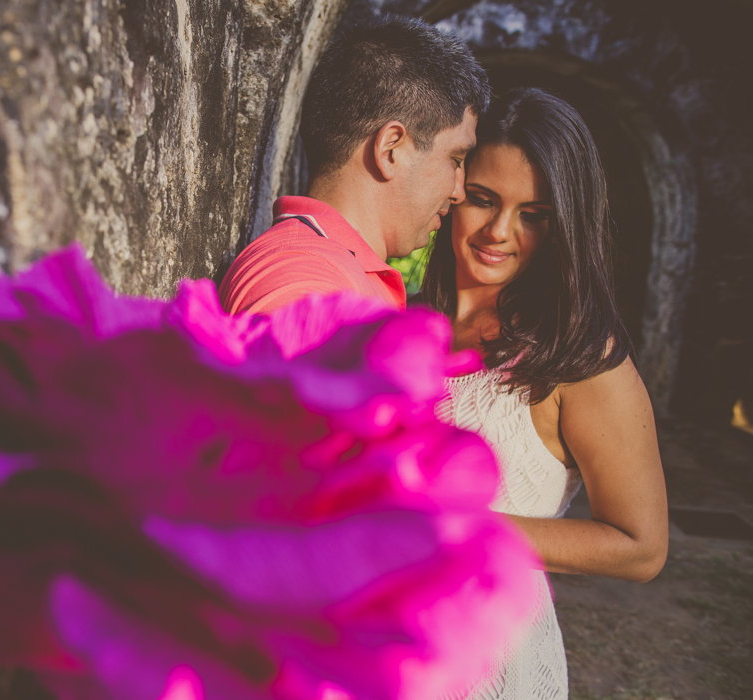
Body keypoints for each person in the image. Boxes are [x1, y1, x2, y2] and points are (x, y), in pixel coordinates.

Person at [421, 88, 670, 699]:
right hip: (380, 654)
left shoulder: (578, 358)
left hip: (494, 667)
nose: (499, 232)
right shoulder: (399, 322)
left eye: (534, 215)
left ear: (565, 227)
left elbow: (641, 547)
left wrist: (456, 529)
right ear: (453, 190)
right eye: (483, 200)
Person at [218, 16, 490, 314]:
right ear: (391, 150)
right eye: (456, 160)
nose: (459, 192)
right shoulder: (305, 278)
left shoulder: (333, 270)